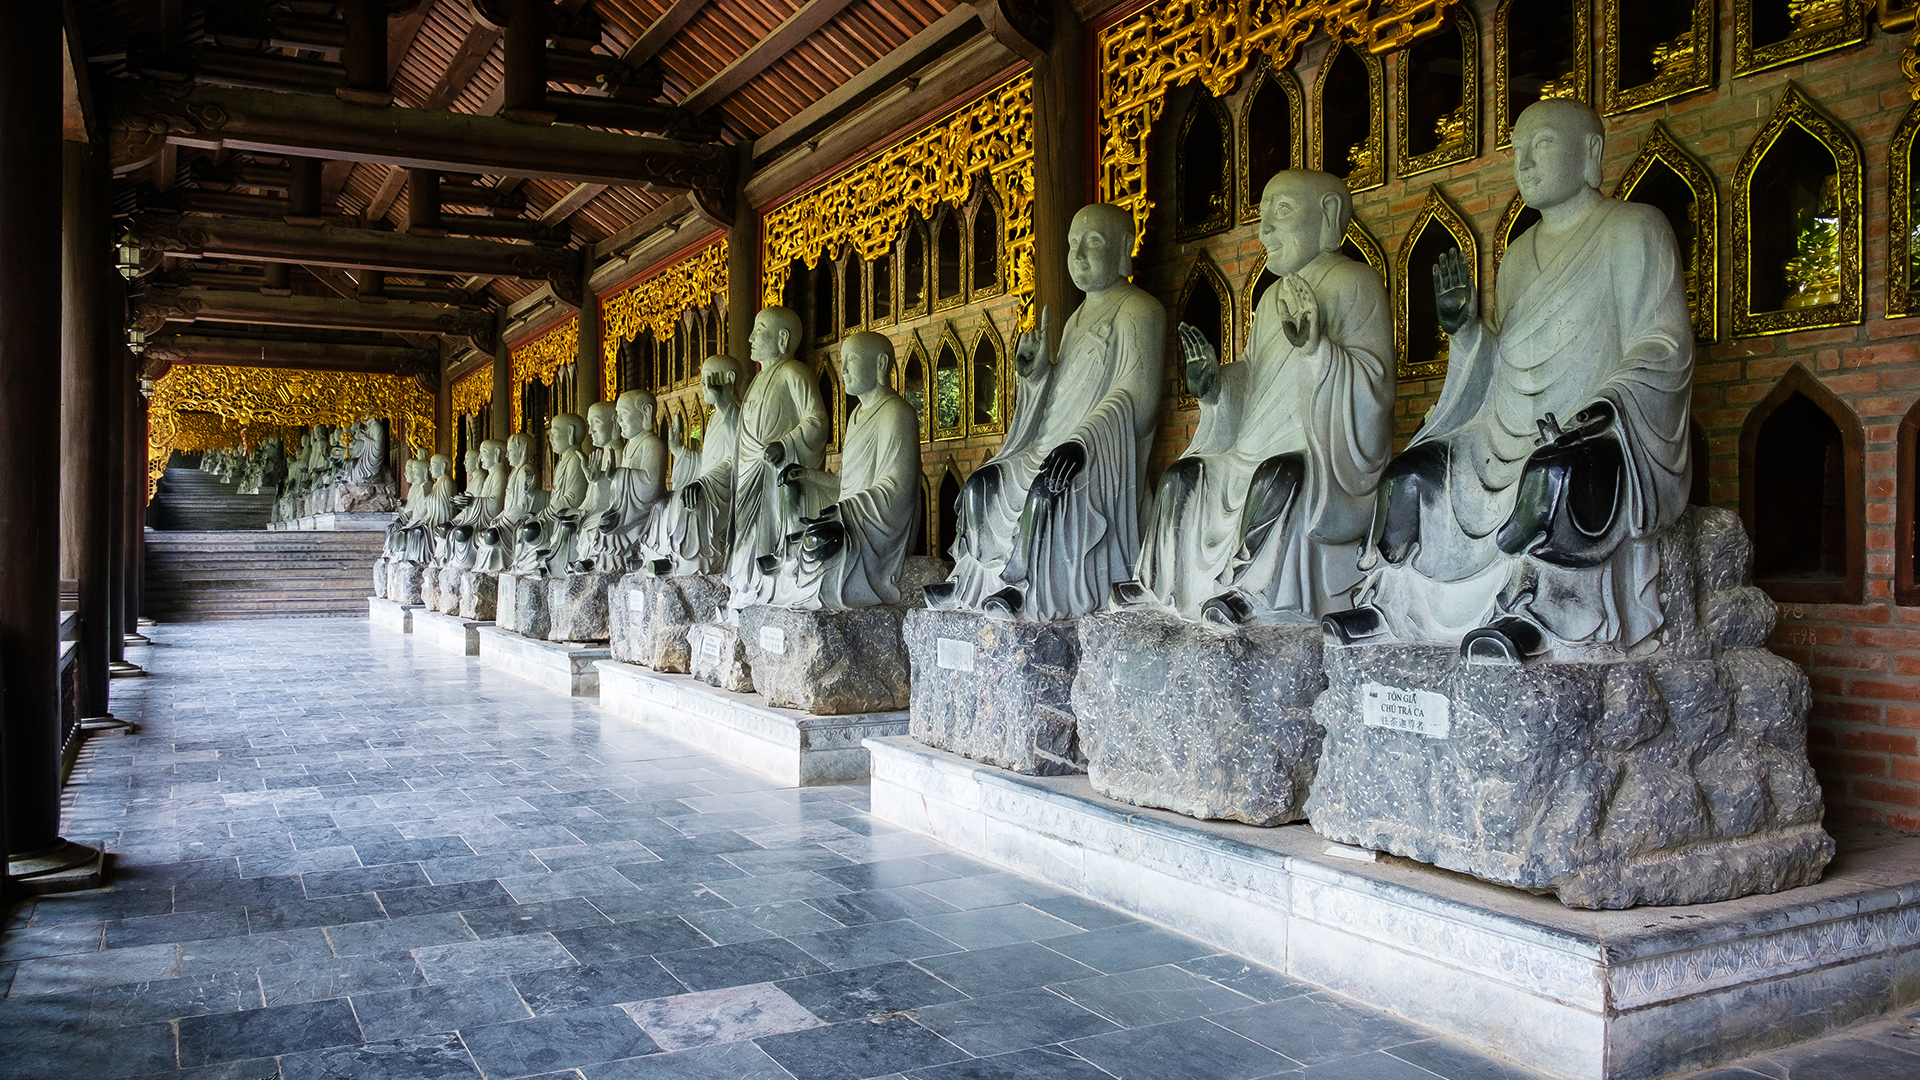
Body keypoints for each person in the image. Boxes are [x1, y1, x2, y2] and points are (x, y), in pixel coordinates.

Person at [1325, 99, 1694, 662]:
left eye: (1541, 144)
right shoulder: (1517, 255)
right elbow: (1505, 364)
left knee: (1554, 471)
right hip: (1509, 427)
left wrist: (1606, 405)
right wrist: (1468, 333)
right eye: (1517, 149)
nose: (1524, 161)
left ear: (1591, 152)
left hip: (1597, 426)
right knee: (1409, 474)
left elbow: (1661, 342)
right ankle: (1393, 604)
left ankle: (1537, 613)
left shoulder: (1633, 228)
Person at [1120, 169, 1394, 625]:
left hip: (1320, 453)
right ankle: (1159, 583)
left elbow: (1374, 387)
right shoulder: (1270, 300)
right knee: (1181, 477)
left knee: (1279, 476)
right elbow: (1254, 377)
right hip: (1251, 447)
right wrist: (1217, 385)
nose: (1265, 230)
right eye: (1263, 216)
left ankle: (1250, 586)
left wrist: (1317, 350)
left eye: (1281, 213)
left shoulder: (1355, 283)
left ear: (1327, 216)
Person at [924, 203, 1166, 621]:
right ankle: (970, 583)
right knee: (981, 485)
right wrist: (1035, 377)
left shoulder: (1140, 310)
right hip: (1054, 445)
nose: (1079, 254)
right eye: (1073, 244)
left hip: (1096, 455)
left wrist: (1082, 441)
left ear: (1125, 247)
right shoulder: (1073, 321)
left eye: (1093, 242)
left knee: (1045, 490)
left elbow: (1137, 401)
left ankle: (1022, 588)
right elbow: (1056, 402)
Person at [765, 332, 922, 609]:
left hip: (877, 527)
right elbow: (843, 484)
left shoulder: (897, 413)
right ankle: (791, 570)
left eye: (852, 360)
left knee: (816, 542)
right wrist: (807, 475)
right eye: (842, 361)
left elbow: (898, 487)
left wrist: (846, 510)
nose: (844, 369)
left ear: (881, 364)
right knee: (792, 504)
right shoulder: (856, 416)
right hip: (852, 516)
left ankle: (799, 579)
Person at [726, 307, 830, 609]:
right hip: (748, 473)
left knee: (772, 530)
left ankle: (767, 586)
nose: (749, 338)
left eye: (759, 331)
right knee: (747, 530)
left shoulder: (793, 372)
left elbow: (816, 421)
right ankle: (745, 585)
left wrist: (785, 444)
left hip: (774, 471)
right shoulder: (757, 381)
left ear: (782, 339)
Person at [648, 354, 743, 575]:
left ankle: (694, 562)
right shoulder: (715, 417)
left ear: (729, 378)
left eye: (708, 378)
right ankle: (667, 554)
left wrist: (703, 481)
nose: (701, 385)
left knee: (690, 502)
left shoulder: (736, 414)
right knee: (662, 502)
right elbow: (707, 461)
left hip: (727, 489)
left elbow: (736, 460)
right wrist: (680, 451)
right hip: (711, 482)